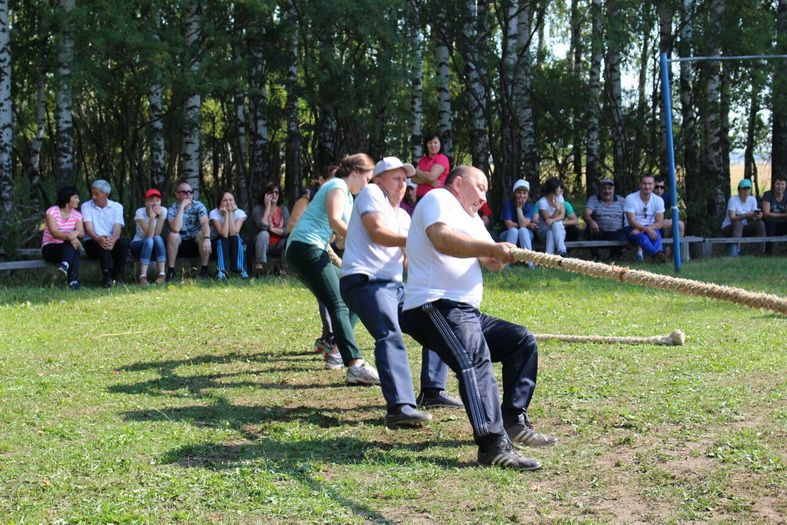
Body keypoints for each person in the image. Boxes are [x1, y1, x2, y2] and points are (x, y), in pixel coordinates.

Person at [400, 165, 556, 471]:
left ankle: (513, 421)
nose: (484, 196)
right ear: (459, 183)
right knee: (474, 358)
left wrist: (505, 254)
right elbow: (441, 239)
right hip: (435, 304)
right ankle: (493, 446)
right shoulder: (439, 199)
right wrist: (492, 248)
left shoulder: (470, 218)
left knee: (520, 341)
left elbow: (492, 261)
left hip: (465, 311)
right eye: (480, 186)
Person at [340, 157, 460, 427]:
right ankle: (400, 407)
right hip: (364, 281)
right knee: (389, 332)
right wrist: (418, 240)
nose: (402, 185)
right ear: (378, 179)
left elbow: (409, 257)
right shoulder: (371, 194)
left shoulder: (404, 215)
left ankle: (433, 390)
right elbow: (377, 233)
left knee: (434, 319)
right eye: (396, 179)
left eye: (405, 181)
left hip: (393, 286)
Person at [285, 153, 381, 385]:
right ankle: (355, 364)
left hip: (310, 250)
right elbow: (335, 221)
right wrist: (364, 239)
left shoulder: (348, 197)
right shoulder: (337, 185)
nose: (367, 185)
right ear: (355, 172)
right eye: (367, 178)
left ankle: (336, 352)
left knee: (358, 293)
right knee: (339, 301)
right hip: (305, 248)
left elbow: (338, 239)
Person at [81, 179, 130, 288]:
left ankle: (116, 276)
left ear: (106, 194)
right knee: (102, 242)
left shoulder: (117, 207)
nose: (93, 197)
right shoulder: (86, 206)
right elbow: (88, 228)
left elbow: (117, 227)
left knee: (124, 243)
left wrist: (113, 239)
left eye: (96, 194)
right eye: (92, 193)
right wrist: (98, 238)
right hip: (92, 241)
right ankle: (107, 277)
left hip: (111, 240)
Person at [166, 181, 211, 281]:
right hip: (179, 244)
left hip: (196, 243)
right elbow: (175, 228)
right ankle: (171, 272)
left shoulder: (199, 206)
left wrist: (207, 238)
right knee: (173, 235)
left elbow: (204, 223)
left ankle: (204, 270)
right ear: (177, 195)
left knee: (203, 233)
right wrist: (181, 207)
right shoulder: (172, 209)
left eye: (191, 192)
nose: (189, 194)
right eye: (185, 192)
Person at [41, 186, 84, 290]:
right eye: (76, 197)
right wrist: (71, 237)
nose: (78, 200)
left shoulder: (77, 215)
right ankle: (73, 281)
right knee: (74, 244)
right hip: (50, 248)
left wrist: (74, 234)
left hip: (67, 249)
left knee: (73, 244)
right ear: (67, 199)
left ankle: (64, 266)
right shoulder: (52, 211)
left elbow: (81, 233)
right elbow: (54, 232)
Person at [624, 174, 666, 263]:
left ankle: (657, 256)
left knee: (656, 235)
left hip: (650, 227)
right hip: (632, 228)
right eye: (644, 184)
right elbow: (631, 221)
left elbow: (659, 223)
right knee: (642, 238)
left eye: (650, 184)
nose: (647, 186)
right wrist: (645, 230)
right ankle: (658, 254)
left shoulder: (658, 200)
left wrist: (645, 229)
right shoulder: (630, 198)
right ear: (640, 185)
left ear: (654, 185)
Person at [582, 178, 626, 261]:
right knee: (589, 230)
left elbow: (629, 216)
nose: (607, 191)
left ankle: (613, 257)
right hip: (599, 231)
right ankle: (596, 257)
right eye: (604, 188)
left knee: (625, 234)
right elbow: (585, 214)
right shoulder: (593, 199)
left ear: (613, 189)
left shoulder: (622, 201)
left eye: (609, 188)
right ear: (599, 189)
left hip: (616, 232)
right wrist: (591, 222)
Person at [209, 191, 249, 280]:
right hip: (217, 242)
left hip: (233, 241)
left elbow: (234, 232)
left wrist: (230, 213)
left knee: (237, 239)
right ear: (220, 202)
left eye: (231, 200)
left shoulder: (240, 213)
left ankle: (240, 269)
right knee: (221, 241)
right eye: (225, 200)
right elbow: (223, 234)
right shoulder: (214, 213)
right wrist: (226, 214)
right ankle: (222, 271)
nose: (228, 203)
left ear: (235, 202)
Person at [131, 188, 167, 285]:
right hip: (138, 245)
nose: (155, 203)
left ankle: (162, 275)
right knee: (149, 240)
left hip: (153, 246)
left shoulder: (163, 210)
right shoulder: (140, 212)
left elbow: (157, 233)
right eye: (151, 200)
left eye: (157, 200)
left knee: (158, 238)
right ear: (146, 202)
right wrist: (151, 218)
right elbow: (149, 235)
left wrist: (160, 217)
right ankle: (143, 277)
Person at [721, 178, 765, 256]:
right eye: (744, 189)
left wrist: (758, 216)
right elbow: (732, 218)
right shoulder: (733, 200)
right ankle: (734, 253)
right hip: (729, 227)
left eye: (748, 189)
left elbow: (753, 217)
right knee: (738, 224)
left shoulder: (752, 199)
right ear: (739, 190)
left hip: (745, 227)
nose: (746, 191)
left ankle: (761, 251)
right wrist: (746, 215)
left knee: (760, 223)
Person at [252, 182, 289, 274]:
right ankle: (259, 266)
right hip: (263, 243)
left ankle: (281, 267)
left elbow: (287, 230)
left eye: (276, 192)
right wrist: (268, 207)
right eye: (271, 192)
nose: (274, 194)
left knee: (289, 239)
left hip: (279, 243)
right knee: (264, 234)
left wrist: (272, 229)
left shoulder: (283, 210)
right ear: (265, 195)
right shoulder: (258, 209)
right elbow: (263, 227)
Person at [500, 179, 537, 267]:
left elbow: (523, 225)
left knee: (523, 230)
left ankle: (530, 263)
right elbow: (509, 224)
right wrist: (527, 225)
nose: (522, 195)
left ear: (528, 195)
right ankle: (506, 264)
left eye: (524, 193)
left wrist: (519, 208)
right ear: (514, 194)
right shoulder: (508, 204)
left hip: (526, 235)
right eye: (519, 192)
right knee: (514, 230)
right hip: (507, 235)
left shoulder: (530, 207)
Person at [412, 132, 450, 200]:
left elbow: (431, 177)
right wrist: (428, 181)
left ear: (440, 144)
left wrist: (417, 171)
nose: (432, 145)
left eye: (435, 142)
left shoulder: (442, 158)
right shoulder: (422, 159)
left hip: (435, 198)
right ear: (426, 145)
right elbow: (413, 179)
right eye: (430, 143)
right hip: (420, 198)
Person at [536, 177, 568, 257]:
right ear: (553, 189)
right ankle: (562, 251)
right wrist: (557, 209)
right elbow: (548, 222)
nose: (560, 189)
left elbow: (562, 216)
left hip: (558, 229)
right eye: (559, 187)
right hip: (543, 231)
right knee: (553, 227)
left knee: (552, 231)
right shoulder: (542, 202)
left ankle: (548, 259)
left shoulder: (560, 198)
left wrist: (554, 220)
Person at [762, 175, 787, 254]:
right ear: (774, 185)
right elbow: (766, 213)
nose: (780, 187)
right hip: (768, 224)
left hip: (782, 224)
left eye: (782, 184)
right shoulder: (767, 195)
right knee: (771, 222)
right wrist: (783, 215)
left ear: (785, 185)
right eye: (778, 184)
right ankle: (768, 251)